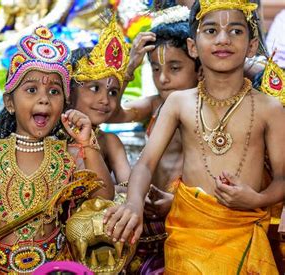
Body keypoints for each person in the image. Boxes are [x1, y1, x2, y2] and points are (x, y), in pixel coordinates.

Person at [104, 0, 284, 273]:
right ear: (193, 46)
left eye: (235, 31)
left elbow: (283, 177)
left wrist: (256, 200)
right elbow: (145, 164)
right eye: (211, 31)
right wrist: (133, 203)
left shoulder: (269, 108)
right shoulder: (179, 103)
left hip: (244, 232)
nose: (223, 39)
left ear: (250, 44)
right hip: (188, 237)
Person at [0, 26, 115, 274]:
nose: (44, 99)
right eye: (31, 90)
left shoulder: (68, 156)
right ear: (10, 102)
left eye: (54, 91)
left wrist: (87, 144)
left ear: (64, 103)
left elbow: (103, 198)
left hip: (53, 267)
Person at [109, 5, 200, 274]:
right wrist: (130, 67)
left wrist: (179, 201)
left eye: (175, 67)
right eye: (156, 68)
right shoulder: (155, 104)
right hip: (148, 206)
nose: (163, 78)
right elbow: (111, 113)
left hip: (184, 211)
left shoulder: (202, 109)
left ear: (198, 67)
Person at [70, 14, 131, 192]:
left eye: (113, 92)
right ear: (69, 90)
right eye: (95, 88)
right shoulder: (49, 136)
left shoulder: (110, 141)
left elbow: (130, 188)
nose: (105, 100)